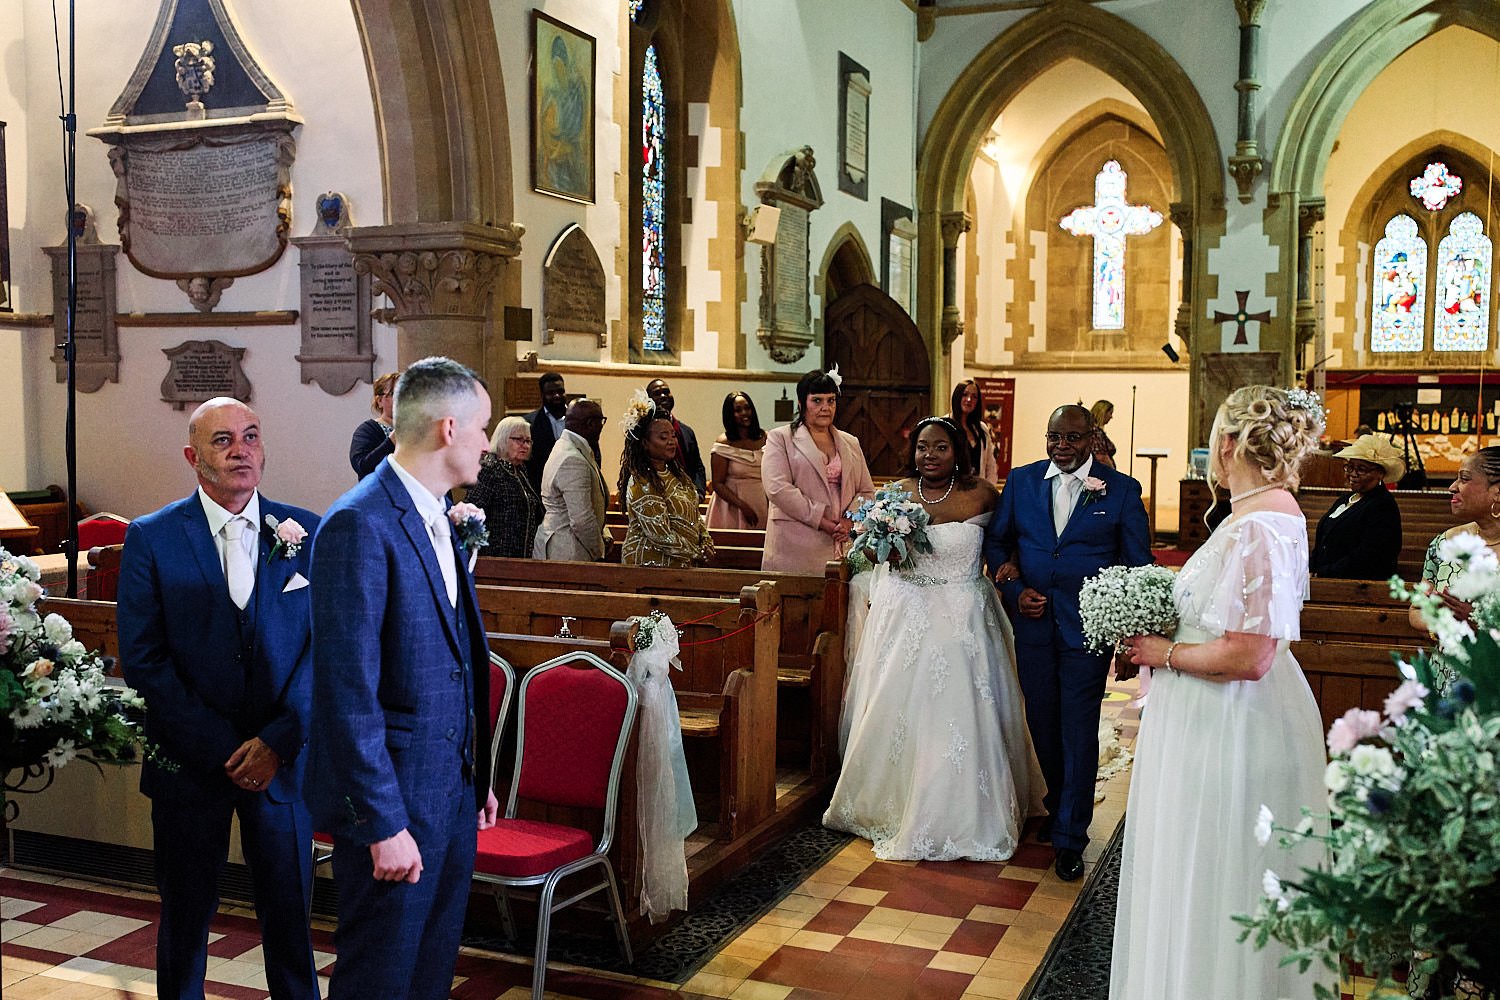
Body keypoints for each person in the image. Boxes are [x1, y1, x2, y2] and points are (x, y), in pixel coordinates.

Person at [1112, 385, 1330, 1000]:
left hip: (1231, 724)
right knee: (1202, 871)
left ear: (1229, 444)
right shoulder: (1259, 514)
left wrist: (1163, 653)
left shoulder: (1261, 524)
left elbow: (1251, 654)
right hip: (1214, 715)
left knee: (1216, 871)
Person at [306, 357, 498, 1000]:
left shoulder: (437, 514)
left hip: (447, 793)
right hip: (394, 804)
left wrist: (478, 778)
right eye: (482, 429)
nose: (488, 444)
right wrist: (383, 824)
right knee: (379, 979)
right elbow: (346, 691)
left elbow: (452, 661)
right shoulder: (360, 522)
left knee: (428, 974)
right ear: (448, 428)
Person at [117, 398, 320, 1000]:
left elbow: (325, 649)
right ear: (193, 456)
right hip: (190, 764)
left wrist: (278, 742)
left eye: (251, 436)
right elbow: (144, 660)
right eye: (224, 439)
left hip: (282, 765)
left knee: (291, 922)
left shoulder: (304, 530)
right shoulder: (152, 537)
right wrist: (228, 749)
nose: (241, 449)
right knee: (186, 919)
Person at [825, 417, 1044, 860]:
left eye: (940, 447)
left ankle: (969, 810)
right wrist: (879, 540)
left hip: (966, 617)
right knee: (908, 710)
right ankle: (897, 800)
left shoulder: (982, 493)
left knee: (964, 708)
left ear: (956, 451)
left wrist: (1012, 567)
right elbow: (866, 551)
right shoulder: (896, 494)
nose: (930, 455)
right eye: (923, 447)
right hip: (908, 616)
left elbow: (1007, 542)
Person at [983, 403, 1150, 881]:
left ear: (1092, 438)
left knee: (1078, 729)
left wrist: (1130, 636)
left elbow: (1136, 566)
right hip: (1033, 627)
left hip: (1087, 629)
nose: (1062, 447)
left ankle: (1071, 837)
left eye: (1073, 438)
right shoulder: (1022, 481)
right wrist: (1013, 590)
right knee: (1043, 723)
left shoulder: (1120, 491)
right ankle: (1060, 806)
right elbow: (997, 543)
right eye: (1054, 437)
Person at [763, 369, 876, 574]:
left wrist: (848, 519)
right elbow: (777, 488)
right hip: (796, 541)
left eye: (831, 401)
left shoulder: (850, 442)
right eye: (817, 401)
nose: (825, 407)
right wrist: (820, 520)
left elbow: (866, 491)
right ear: (801, 403)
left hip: (843, 539)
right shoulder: (781, 438)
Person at [1409, 446, 1500, 633]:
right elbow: (1416, 609)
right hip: (1446, 661)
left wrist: (1480, 622)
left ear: (1497, 492)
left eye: (1465, 479)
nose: (1452, 487)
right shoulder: (1444, 543)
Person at [619, 395, 714, 567]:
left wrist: (705, 539)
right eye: (663, 437)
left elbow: (693, 513)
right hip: (650, 567)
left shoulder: (676, 473)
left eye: (673, 435)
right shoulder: (642, 482)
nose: (672, 442)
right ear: (645, 443)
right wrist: (697, 552)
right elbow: (661, 535)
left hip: (683, 562)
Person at [1309, 434, 1404, 580]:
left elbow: (1369, 555)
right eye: (1349, 467)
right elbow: (1324, 538)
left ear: (1380, 473)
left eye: (1362, 469)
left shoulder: (1383, 505)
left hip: (1355, 587)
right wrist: (1311, 569)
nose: (1353, 474)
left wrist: (1324, 573)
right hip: (1324, 579)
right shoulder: (1345, 499)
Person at [533, 398, 610, 561]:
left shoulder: (565, 446)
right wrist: (599, 550)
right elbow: (581, 520)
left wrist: (604, 532)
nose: (602, 427)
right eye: (601, 421)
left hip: (563, 543)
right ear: (590, 423)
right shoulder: (572, 459)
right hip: (569, 549)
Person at [466, 415, 543, 558]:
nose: (525, 445)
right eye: (519, 440)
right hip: (495, 558)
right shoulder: (490, 469)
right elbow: (472, 514)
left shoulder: (520, 470)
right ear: (503, 438)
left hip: (522, 557)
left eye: (527, 441)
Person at [707, 391, 769, 529]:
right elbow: (718, 484)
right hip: (732, 506)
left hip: (761, 501)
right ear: (730, 415)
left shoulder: (766, 437)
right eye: (738, 410)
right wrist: (743, 506)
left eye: (747, 408)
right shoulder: (724, 443)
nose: (744, 413)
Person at [646, 378, 707, 499]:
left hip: (687, 498)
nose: (664, 396)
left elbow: (697, 466)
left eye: (666, 391)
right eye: (657, 393)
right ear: (648, 400)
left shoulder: (686, 431)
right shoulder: (643, 432)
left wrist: (699, 492)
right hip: (656, 495)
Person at [524, 372, 570, 493]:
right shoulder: (530, 423)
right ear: (542, 395)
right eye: (551, 393)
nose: (557, 396)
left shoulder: (577, 418)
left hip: (574, 485)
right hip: (543, 489)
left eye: (560, 391)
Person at [350, 371, 399, 479]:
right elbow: (362, 465)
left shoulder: (419, 429)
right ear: (380, 401)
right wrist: (392, 441)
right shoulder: (367, 430)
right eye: (396, 393)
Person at [949, 379, 999, 482]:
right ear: (957, 396)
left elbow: (990, 466)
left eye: (974, 397)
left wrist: (989, 490)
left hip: (978, 492)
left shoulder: (982, 429)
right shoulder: (944, 426)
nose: (969, 399)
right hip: (952, 491)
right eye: (965, 394)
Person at [1090, 399, 1118, 469]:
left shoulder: (1093, 430)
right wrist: (1113, 473)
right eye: (1110, 413)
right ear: (1103, 412)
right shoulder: (1095, 432)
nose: (1111, 417)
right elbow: (1101, 456)